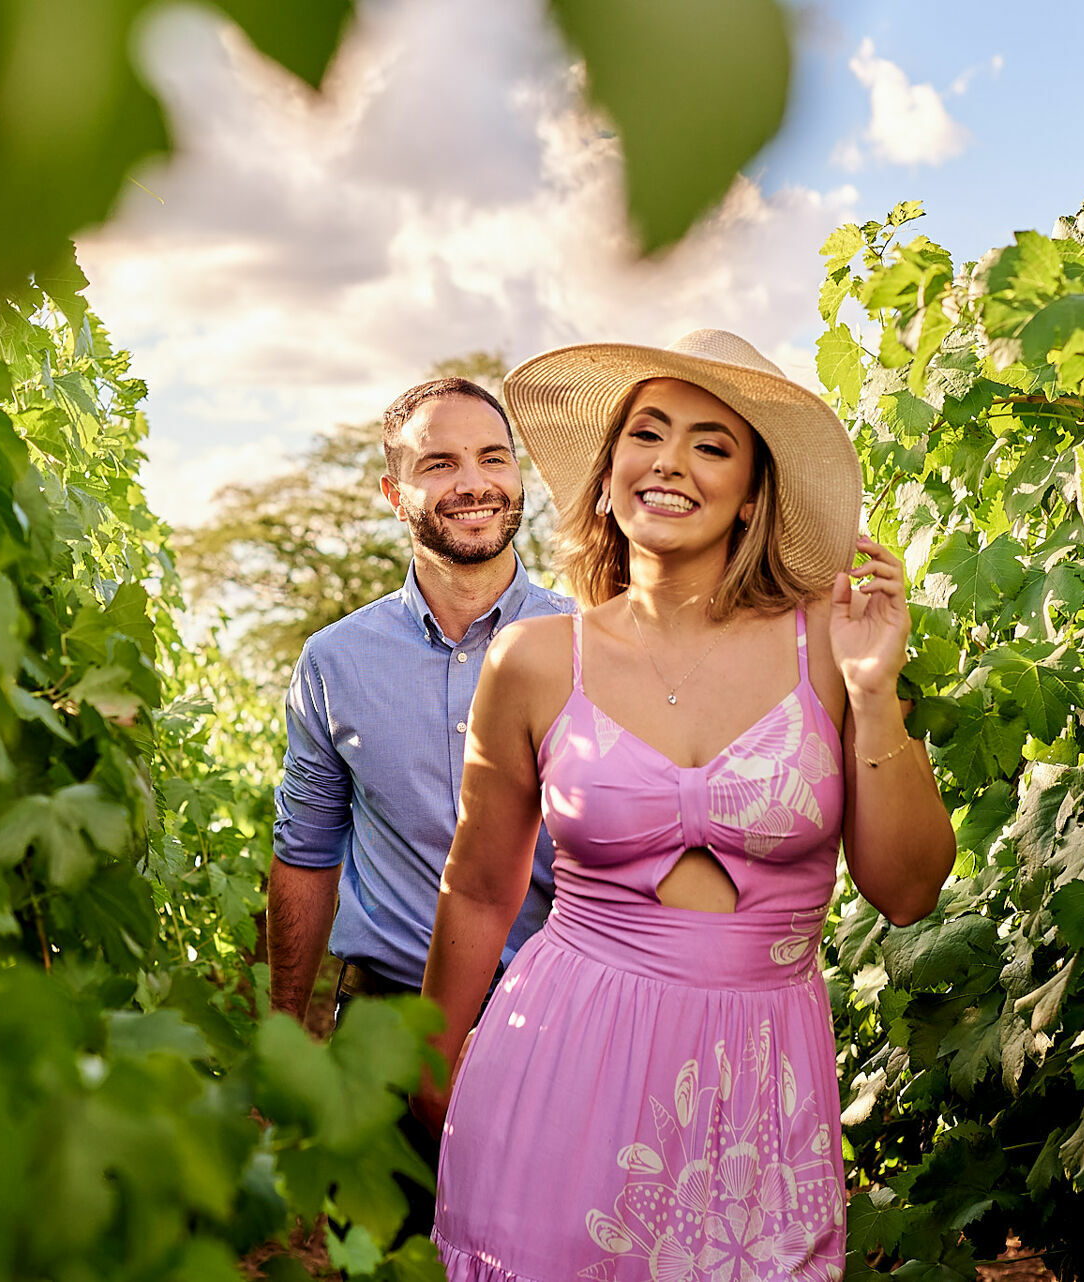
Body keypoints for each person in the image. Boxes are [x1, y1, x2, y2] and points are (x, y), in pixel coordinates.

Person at [416, 330, 956, 1281]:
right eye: (647, 434)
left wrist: (875, 695)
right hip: (556, 1066)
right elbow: (477, 891)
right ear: (610, 467)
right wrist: (426, 1073)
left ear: (753, 490)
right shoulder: (535, 661)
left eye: (711, 445)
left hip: (758, 1090)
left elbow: (909, 892)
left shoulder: (832, 645)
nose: (669, 462)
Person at [269, 375, 571, 1239]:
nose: (474, 482)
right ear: (393, 491)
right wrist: (290, 1033)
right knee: (393, 1257)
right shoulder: (335, 662)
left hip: (559, 1018)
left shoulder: (591, 642)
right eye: (439, 463)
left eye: (492, 457)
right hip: (389, 1032)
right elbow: (306, 853)